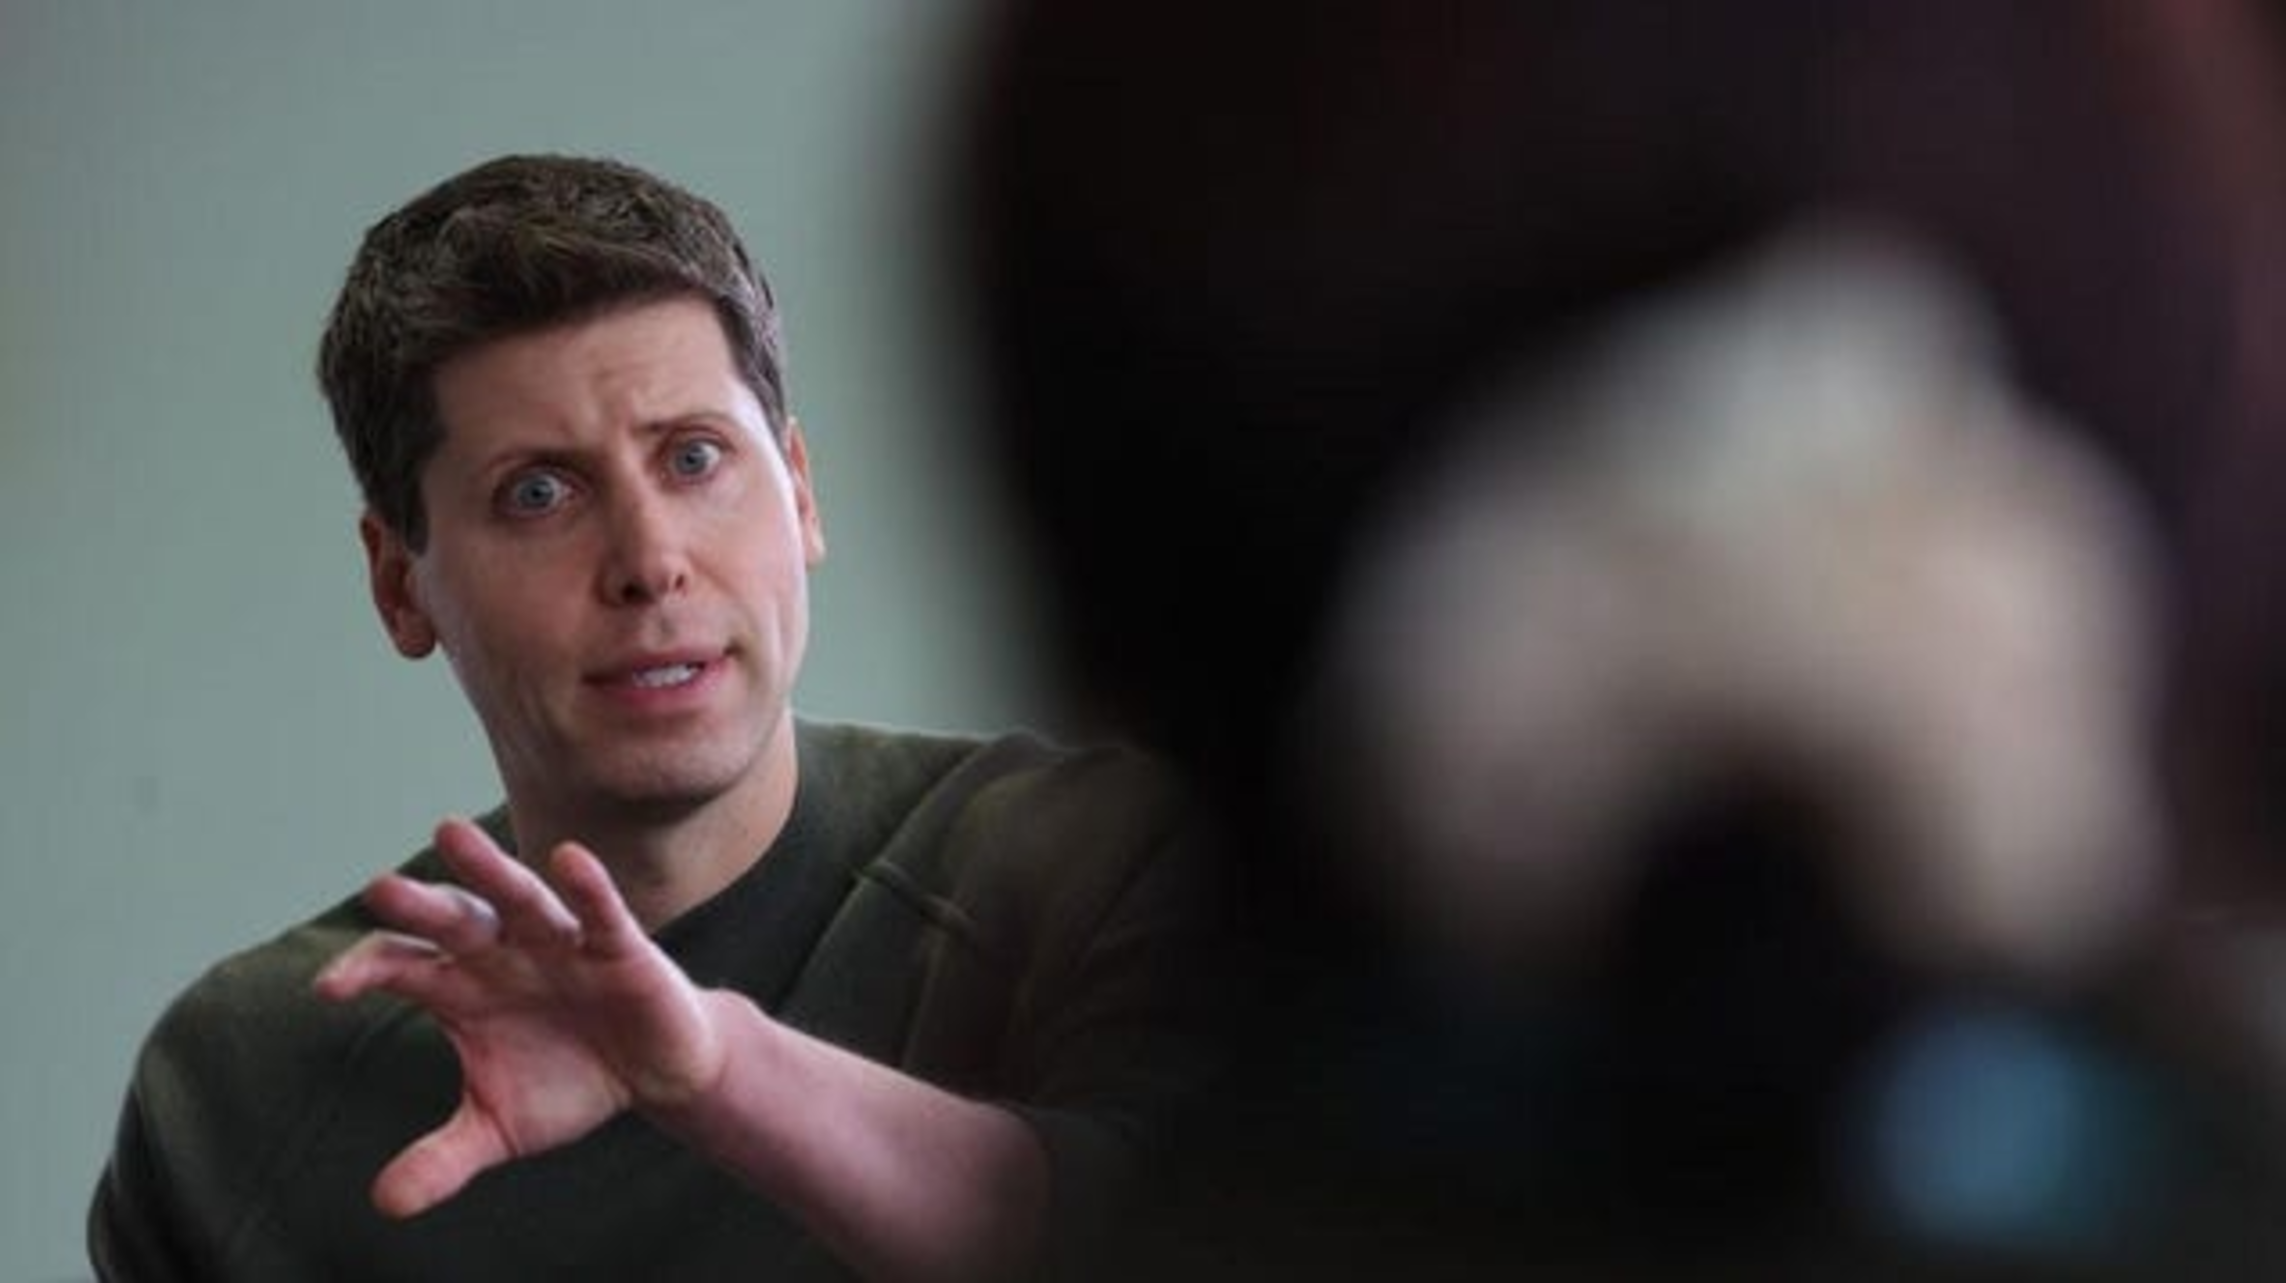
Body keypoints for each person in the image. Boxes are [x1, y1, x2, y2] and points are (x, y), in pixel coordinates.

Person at [89, 154, 1223, 1282]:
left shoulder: (1098, 871)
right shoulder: (241, 1095)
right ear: (399, 584)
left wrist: (718, 1074)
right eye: (539, 492)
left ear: (799, 490)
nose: (648, 561)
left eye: (693, 458)